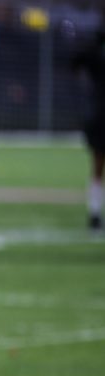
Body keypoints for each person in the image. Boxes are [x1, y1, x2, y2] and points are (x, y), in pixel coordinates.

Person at [72, 27, 105, 231]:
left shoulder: (95, 52)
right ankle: (94, 214)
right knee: (97, 167)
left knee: (97, 168)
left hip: (99, 115)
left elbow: (75, 62)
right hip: (100, 116)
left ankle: (94, 214)